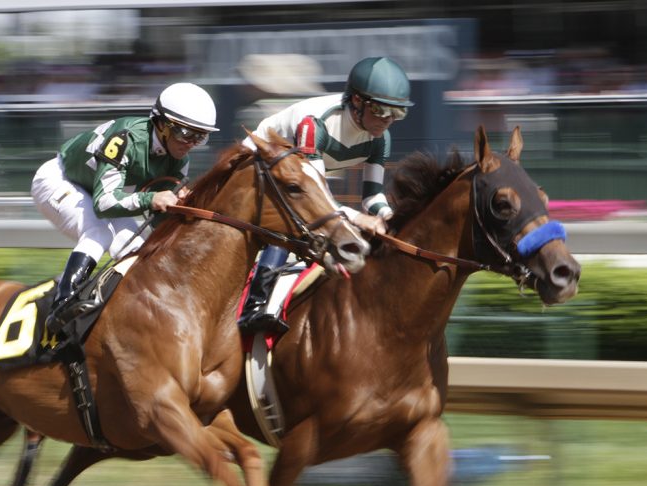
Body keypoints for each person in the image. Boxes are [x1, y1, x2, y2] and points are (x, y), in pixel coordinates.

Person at [237, 56, 414, 334]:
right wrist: (361, 220)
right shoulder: (315, 125)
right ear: (356, 101)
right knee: (292, 224)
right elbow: (319, 202)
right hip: (259, 160)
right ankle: (255, 307)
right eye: (381, 110)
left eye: (398, 114)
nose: (388, 121)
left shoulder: (381, 138)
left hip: (300, 180)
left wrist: (390, 217)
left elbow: (372, 197)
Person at [31, 82, 219, 333]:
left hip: (97, 192)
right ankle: (61, 307)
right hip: (60, 180)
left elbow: (158, 224)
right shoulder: (126, 138)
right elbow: (104, 203)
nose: (191, 143)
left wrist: (180, 210)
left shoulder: (179, 160)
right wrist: (151, 199)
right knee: (98, 232)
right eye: (186, 133)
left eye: (200, 136)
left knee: (140, 250)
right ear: (162, 124)